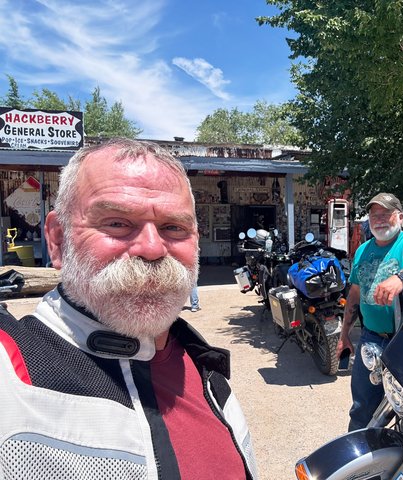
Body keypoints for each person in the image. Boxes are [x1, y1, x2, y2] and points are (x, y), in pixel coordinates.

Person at [0, 138, 258, 479]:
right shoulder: (15, 372)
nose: (152, 248)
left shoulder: (204, 370)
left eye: (173, 227)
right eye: (118, 223)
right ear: (58, 239)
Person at [337, 192, 403, 431]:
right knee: (362, 408)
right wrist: (344, 335)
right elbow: (354, 294)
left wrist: (401, 277)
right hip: (370, 340)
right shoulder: (362, 250)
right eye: (375, 215)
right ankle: (362, 462)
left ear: (400, 217)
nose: (379, 220)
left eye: (386, 214)